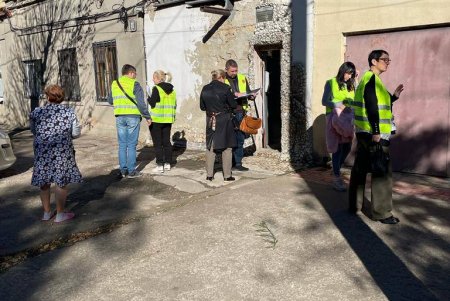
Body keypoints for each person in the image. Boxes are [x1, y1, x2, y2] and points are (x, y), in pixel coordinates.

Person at [349, 50, 404, 224]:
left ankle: (354, 206)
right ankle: (382, 213)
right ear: (374, 61)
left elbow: (381, 101)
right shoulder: (372, 79)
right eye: (384, 60)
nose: (387, 62)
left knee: (360, 169)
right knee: (382, 173)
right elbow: (372, 106)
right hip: (374, 135)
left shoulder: (369, 79)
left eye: (389, 59)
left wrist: (394, 96)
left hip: (363, 133)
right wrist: (376, 132)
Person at [30, 84, 82, 223]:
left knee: (44, 182)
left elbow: (33, 131)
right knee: (61, 181)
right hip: (62, 150)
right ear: (61, 97)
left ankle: (46, 213)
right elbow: (76, 133)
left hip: (42, 151)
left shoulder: (36, 112)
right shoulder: (69, 112)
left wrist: (44, 136)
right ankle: (60, 214)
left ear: (47, 97)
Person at [108, 64, 152, 178]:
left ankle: (123, 170)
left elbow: (110, 100)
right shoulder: (135, 84)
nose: (135, 76)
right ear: (131, 73)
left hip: (119, 117)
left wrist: (120, 104)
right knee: (132, 145)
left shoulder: (114, 83)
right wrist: (147, 116)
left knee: (122, 144)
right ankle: (132, 171)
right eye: (135, 74)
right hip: (133, 116)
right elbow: (141, 104)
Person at [322, 62, 356, 191]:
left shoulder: (351, 85)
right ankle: (337, 178)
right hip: (333, 118)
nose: (349, 76)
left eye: (351, 74)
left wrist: (355, 80)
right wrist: (338, 104)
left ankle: (336, 170)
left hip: (347, 120)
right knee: (337, 148)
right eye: (348, 73)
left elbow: (355, 99)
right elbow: (324, 101)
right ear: (342, 71)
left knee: (347, 147)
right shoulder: (331, 82)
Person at [200, 69, 237, 181]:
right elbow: (233, 104)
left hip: (210, 119)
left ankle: (209, 175)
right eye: (224, 78)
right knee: (227, 147)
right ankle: (227, 176)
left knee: (210, 146)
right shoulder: (225, 88)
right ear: (221, 77)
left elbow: (202, 107)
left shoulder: (205, 88)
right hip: (224, 119)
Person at [224, 59, 254, 171]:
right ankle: (228, 163)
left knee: (240, 139)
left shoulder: (242, 78)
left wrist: (251, 95)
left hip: (241, 112)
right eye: (232, 71)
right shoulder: (222, 79)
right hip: (228, 113)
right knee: (229, 139)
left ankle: (238, 163)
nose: (234, 73)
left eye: (236, 70)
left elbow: (247, 91)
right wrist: (233, 95)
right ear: (226, 69)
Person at [147, 70, 176, 173]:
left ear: (159, 79)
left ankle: (160, 165)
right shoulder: (172, 90)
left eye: (154, 78)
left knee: (158, 143)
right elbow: (174, 104)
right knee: (167, 142)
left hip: (157, 120)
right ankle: (168, 163)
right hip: (168, 120)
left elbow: (152, 103)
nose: (152, 79)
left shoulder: (157, 88)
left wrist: (148, 96)